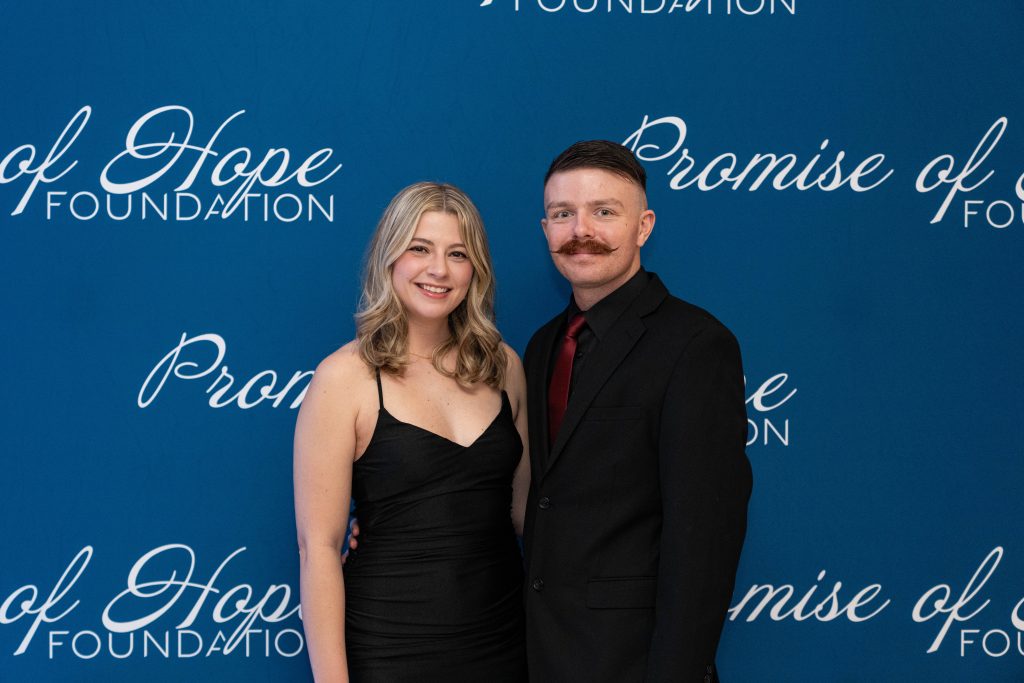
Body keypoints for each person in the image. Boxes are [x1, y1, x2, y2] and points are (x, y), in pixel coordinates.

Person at [522, 140, 752, 683]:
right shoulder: (541, 346)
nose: (581, 230)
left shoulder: (696, 346)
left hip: (635, 663)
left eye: (604, 212)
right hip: (539, 655)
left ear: (643, 226)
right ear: (546, 229)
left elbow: (704, 541)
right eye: (563, 214)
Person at [293, 182, 530, 682]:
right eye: (419, 248)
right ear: (390, 257)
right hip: (388, 647)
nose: (438, 269)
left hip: (503, 642)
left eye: (457, 254)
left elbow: (526, 513)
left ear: (476, 269)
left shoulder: (503, 366)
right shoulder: (344, 378)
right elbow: (318, 551)